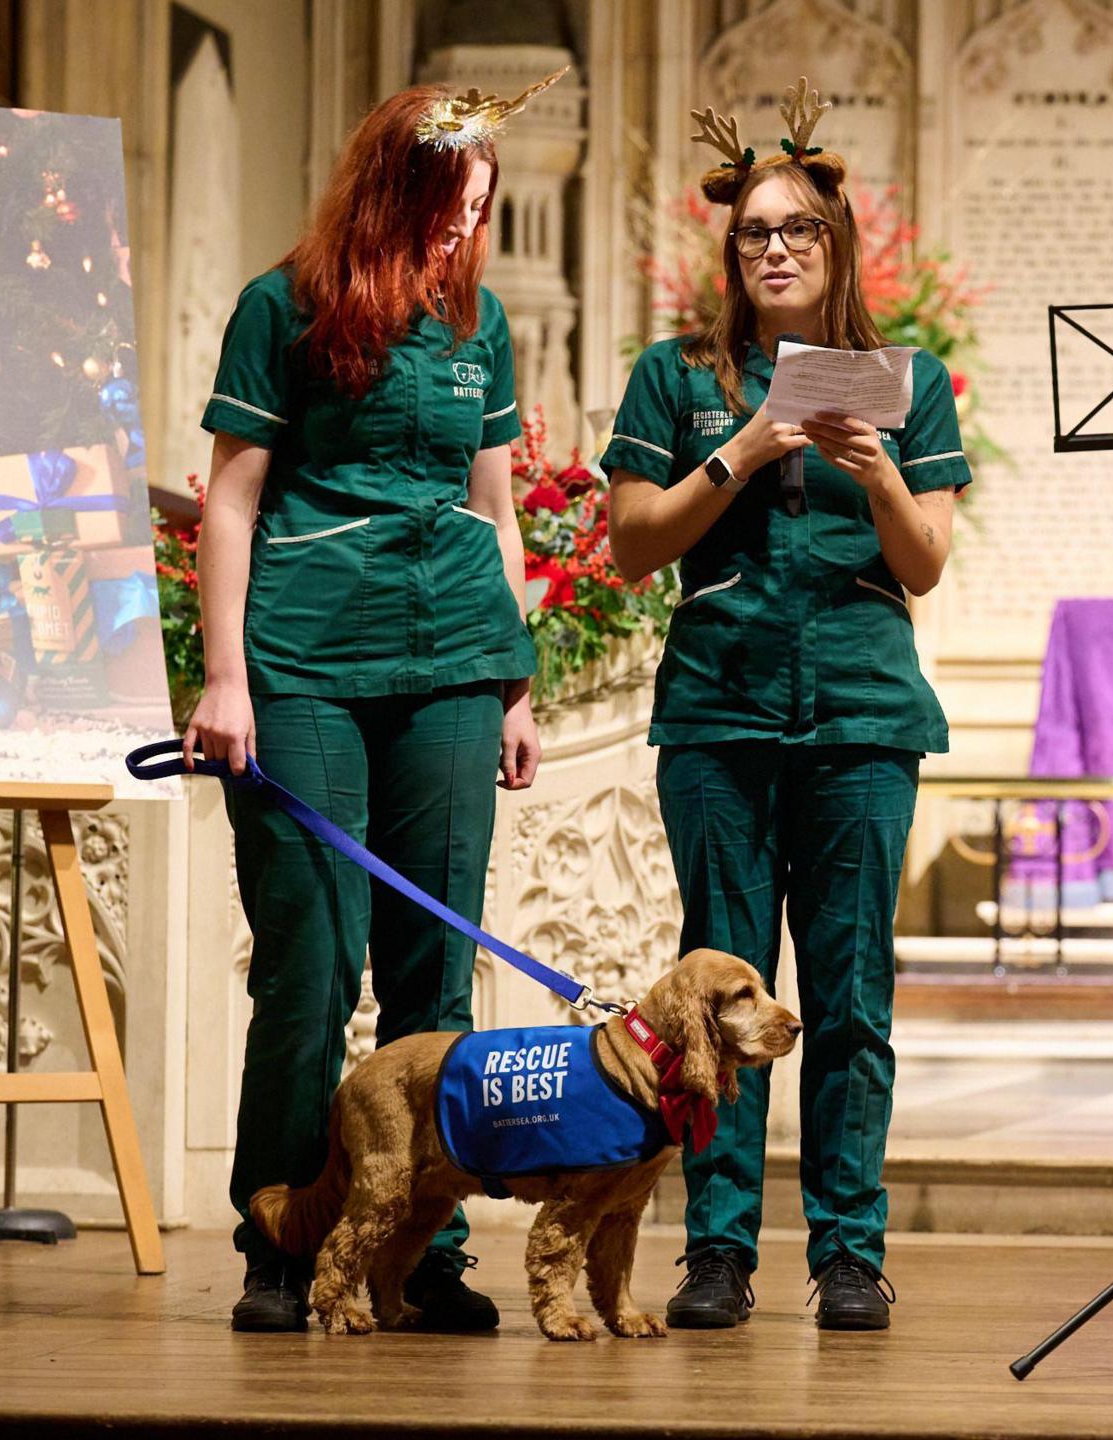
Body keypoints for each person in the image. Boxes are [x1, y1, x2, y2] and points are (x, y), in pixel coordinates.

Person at [185, 78, 562, 1333]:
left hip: (454, 662)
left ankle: (415, 1249)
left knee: (433, 973)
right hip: (302, 662)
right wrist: (226, 677)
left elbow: (497, 512)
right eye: (448, 207)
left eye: (481, 212)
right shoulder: (280, 305)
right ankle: (279, 1238)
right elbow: (230, 499)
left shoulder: (480, 324)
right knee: (309, 961)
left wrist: (513, 681)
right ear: (390, 190)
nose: (463, 234)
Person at [599, 78, 968, 1333]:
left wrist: (874, 476)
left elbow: (922, 563)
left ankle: (849, 1252)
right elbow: (634, 548)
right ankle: (716, 1252)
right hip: (719, 716)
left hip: (863, 717)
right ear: (730, 251)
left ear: (835, 246)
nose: (773, 248)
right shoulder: (676, 377)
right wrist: (746, 446)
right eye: (753, 232)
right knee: (717, 994)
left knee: (854, 995)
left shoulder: (904, 383)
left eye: (796, 230)